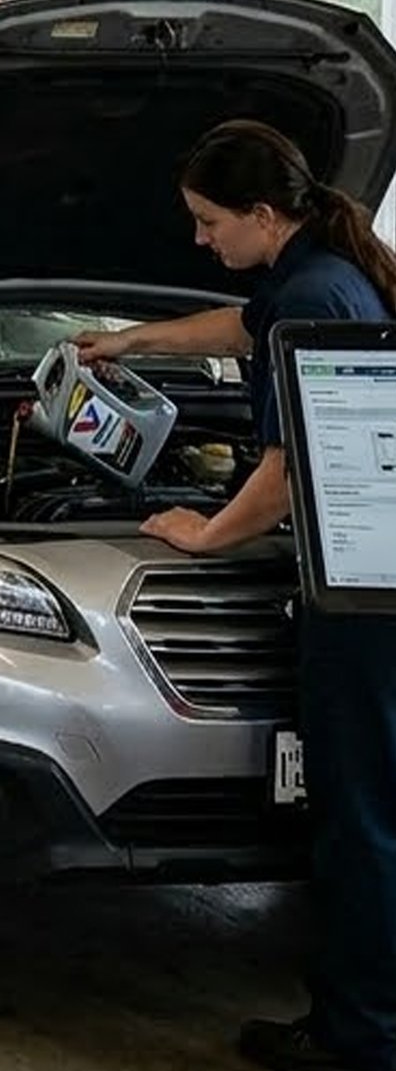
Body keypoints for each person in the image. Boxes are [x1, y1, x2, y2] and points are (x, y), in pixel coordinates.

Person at [77, 118, 396, 1071]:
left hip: (361, 602)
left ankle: (358, 1039)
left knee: (363, 822)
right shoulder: (317, 274)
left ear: (262, 213)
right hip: (369, 573)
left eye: (210, 221)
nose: (199, 239)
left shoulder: (315, 293)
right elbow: (241, 326)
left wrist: (206, 531)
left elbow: (289, 469)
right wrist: (130, 341)